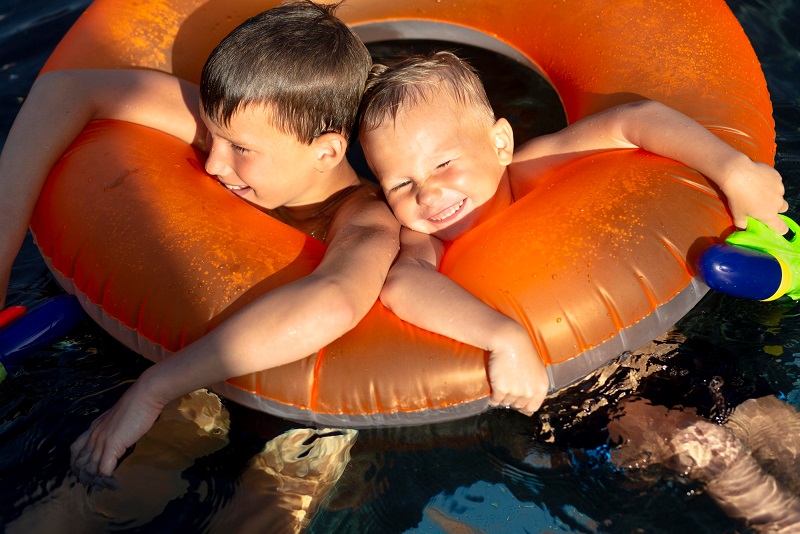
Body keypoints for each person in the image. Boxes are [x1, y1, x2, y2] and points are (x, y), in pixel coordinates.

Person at [0, 1, 401, 484]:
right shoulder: (242, 121)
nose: (212, 163)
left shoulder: (362, 218)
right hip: (160, 354)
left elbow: (335, 302)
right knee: (88, 488)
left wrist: (152, 390)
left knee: (283, 484)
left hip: (300, 406)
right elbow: (66, 89)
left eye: (240, 149)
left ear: (328, 151)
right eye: (210, 135)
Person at [355, 52, 789, 416]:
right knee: (710, 459)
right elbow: (404, 282)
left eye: (443, 164)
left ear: (499, 144)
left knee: (766, 421)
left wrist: (733, 171)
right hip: (573, 395)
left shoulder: (527, 169)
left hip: (653, 340)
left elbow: (633, 121)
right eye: (401, 184)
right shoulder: (426, 238)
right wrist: (502, 336)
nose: (428, 193)